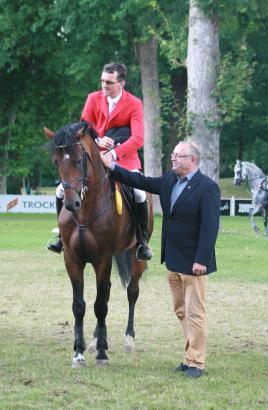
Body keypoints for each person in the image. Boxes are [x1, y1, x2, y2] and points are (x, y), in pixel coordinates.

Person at [101, 140, 220, 379]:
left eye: (178, 156)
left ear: (192, 160)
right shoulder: (169, 180)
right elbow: (141, 182)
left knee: (195, 312)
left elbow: (210, 227)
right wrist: (112, 167)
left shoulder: (207, 187)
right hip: (174, 260)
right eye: (173, 154)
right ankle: (188, 359)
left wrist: (202, 259)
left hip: (195, 263)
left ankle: (197, 363)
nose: (173, 159)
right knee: (181, 311)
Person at [48, 62, 152, 260]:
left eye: (109, 82)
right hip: (94, 157)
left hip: (124, 159)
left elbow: (138, 138)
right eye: (103, 80)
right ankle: (62, 236)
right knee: (61, 190)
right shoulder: (93, 98)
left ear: (121, 83)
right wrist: (97, 140)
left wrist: (113, 154)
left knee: (139, 194)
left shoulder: (134, 103)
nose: (104, 85)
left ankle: (141, 241)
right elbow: (82, 128)